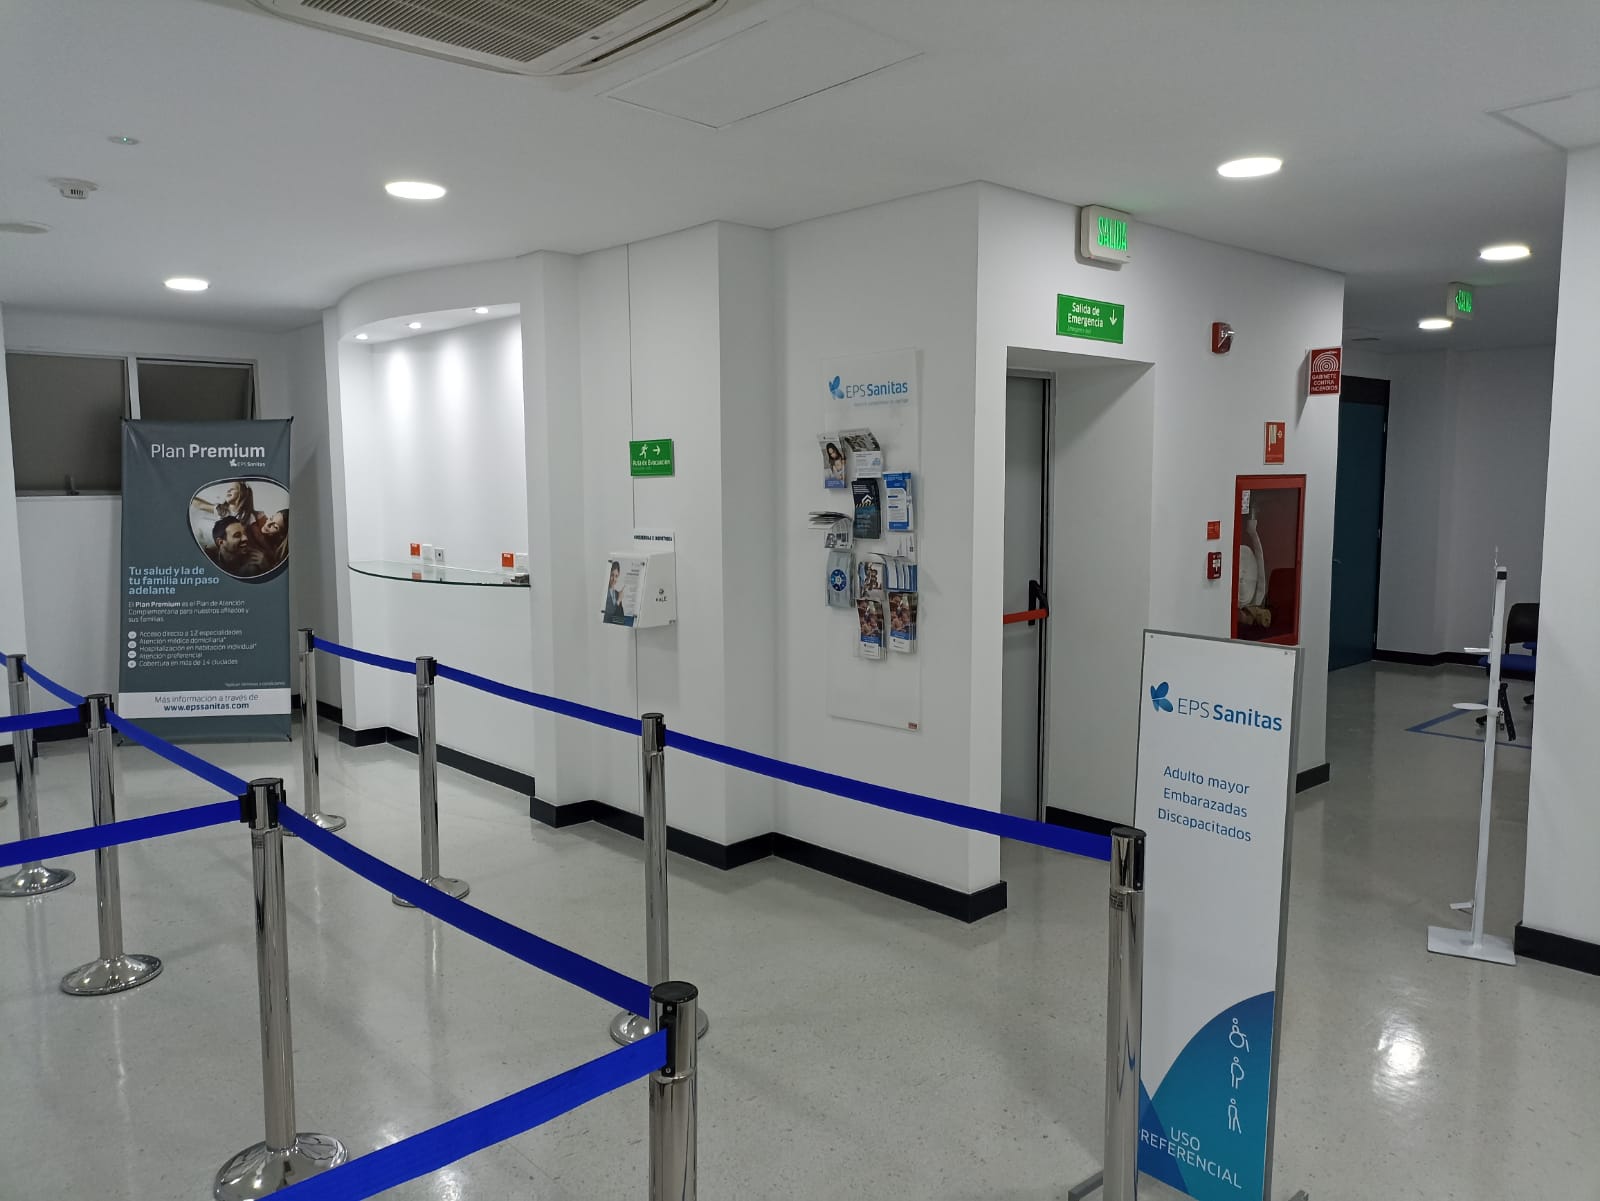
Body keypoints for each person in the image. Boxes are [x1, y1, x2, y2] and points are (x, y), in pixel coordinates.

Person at [602, 560, 627, 624]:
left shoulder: (617, 594)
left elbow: (621, 620)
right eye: (612, 575)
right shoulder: (604, 593)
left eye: (616, 576)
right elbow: (607, 618)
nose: (614, 579)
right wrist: (618, 601)